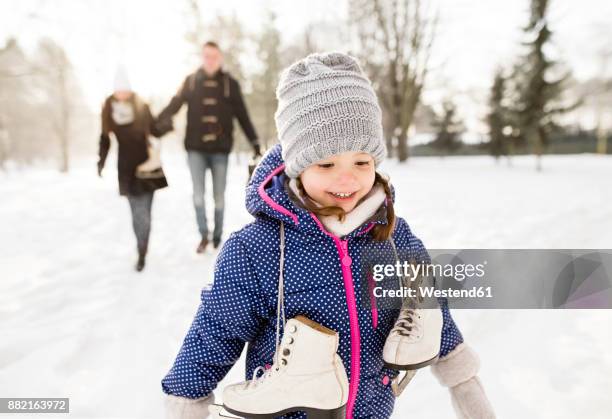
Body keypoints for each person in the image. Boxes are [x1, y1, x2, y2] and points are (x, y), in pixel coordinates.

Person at [161, 53, 495, 418]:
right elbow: (216, 330)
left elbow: (429, 311)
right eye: (326, 164)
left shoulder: (393, 237)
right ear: (297, 166)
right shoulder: (257, 250)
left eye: (362, 162)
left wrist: (463, 382)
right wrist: (186, 401)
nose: (347, 178)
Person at [157, 41, 261, 254]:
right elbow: (175, 103)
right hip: (195, 148)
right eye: (206, 56)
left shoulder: (230, 84)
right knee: (198, 194)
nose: (210, 60)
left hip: (220, 150)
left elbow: (242, 115)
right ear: (202, 57)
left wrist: (255, 142)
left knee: (219, 196)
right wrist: (157, 121)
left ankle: (217, 236)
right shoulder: (191, 81)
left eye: (214, 56)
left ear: (220, 58)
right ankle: (203, 235)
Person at [98, 66, 168, 272]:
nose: (122, 94)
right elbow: (105, 138)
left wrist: (167, 123)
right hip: (126, 168)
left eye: (125, 89)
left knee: (145, 213)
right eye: (119, 90)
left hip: (147, 166)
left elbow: (155, 129)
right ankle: (141, 251)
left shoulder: (141, 105)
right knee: (136, 213)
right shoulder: (108, 108)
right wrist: (100, 161)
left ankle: (143, 248)